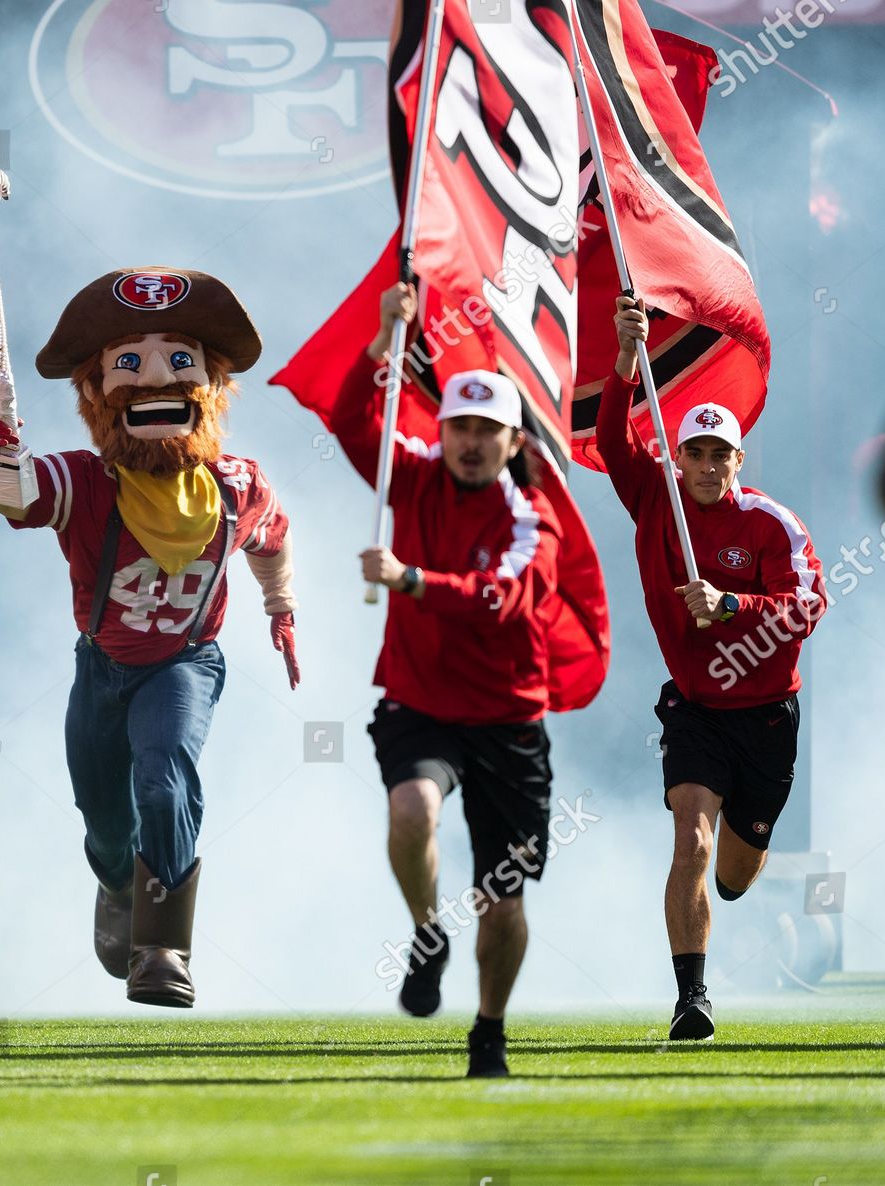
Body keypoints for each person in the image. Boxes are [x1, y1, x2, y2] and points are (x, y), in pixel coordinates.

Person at [0, 267, 299, 1008]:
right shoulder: (88, 482)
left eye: (180, 361)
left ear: (210, 388)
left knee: (164, 778)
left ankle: (163, 951)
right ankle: (120, 882)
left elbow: (272, 538)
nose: (156, 379)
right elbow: (19, 495)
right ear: (98, 395)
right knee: (104, 821)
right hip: (104, 670)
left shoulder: (239, 485)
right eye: (130, 364)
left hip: (184, 664)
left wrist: (280, 608)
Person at [342, 284, 565, 1079]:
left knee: (502, 898)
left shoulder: (533, 517)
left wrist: (410, 581)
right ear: (443, 429)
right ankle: (425, 932)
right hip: (421, 704)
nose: (470, 442)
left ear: (512, 440)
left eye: (487, 430)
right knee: (411, 812)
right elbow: (355, 421)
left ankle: (490, 1029)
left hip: (508, 720)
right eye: (459, 426)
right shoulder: (417, 471)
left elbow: (503, 603)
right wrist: (384, 339)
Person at [598, 295, 826, 1041]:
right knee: (690, 839)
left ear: (738, 460)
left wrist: (730, 607)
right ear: (679, 456)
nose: (701, 466)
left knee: (733, 872)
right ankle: (691, 998)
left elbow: (808, 606)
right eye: (691, 452)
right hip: (695, 711)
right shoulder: (655, 500)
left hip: (765, 717)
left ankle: (737, 878)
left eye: (716, 454)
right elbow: (610, 440)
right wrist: (627, 355)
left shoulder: (771, 523)